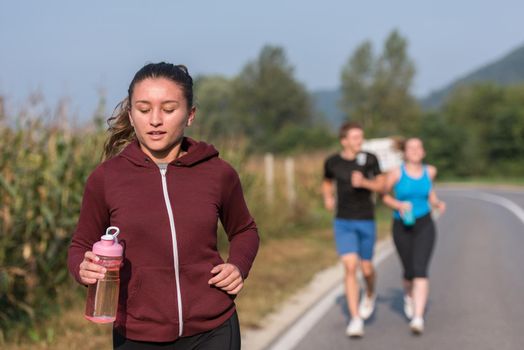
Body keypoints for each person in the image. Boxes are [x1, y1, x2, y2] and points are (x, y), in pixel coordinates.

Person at [67, 62, 260, 349]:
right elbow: (80, 245)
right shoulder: (106, 178)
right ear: (131, 116)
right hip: (137, 333)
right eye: (144, 110)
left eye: (168, 109)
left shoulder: (218, 172)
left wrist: (238, 266)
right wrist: (83, 269)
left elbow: (245, 229)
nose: (155, 120)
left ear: (190, 115)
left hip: (213, 327)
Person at [322, 122, 385, 337]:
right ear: (344, 141)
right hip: (343, 221)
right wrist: (328, 197)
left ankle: (369, 292)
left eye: (361, 137)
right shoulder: (332, 162)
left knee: (366, 268)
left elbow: (382, 185)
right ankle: (355, 318)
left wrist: (366, 183)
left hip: (366, 219)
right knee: (350, 267)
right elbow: (327, 182)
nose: (360, 141)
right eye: (356, 137)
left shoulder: (370, 159)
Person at [382, 137, 446, 335]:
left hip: (425, 223)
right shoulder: (395, 173)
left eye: (419, 147)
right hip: (401, 225)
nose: (416, 151)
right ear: (405, 152)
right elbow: (384, 196)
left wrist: (437, 203)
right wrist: (399, 205)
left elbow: (430, 194)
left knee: (420, 269)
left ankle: (418, 318)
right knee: (409, 270)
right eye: (411, 148)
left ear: (423, 152)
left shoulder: (430, 171)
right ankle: (408, 295)